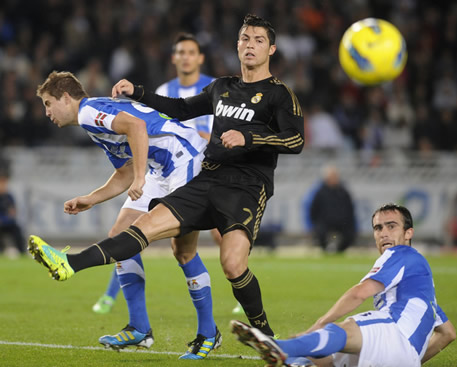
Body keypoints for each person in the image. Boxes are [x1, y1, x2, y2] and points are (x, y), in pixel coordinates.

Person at [29, 13, 304, 339]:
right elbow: (179, 112)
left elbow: (295, 141)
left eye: (258, 40)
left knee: (215, 260)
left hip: (223, 176)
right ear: (237, 44)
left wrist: (249, 139)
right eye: (245, 38)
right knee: (132, 231)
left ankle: (247, 335)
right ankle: (107, 298)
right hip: (192, 173)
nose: (250, 45)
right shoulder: (222, 87)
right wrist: (139, 93)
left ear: (271, 49)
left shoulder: (278, 94)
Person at [35, 71, 221, 359]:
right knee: (120, 237)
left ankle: (209, 333)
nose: (46, 112)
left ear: (66, 98)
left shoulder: (89, 113)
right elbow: (123, 172)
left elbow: (136, 128)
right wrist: (91, 199)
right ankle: (139, 328)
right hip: (159, 168)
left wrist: (139, 179)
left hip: (185, 156)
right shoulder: (92, 119)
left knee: (183, 251)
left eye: (48, 103)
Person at [231, 203, 456, 367]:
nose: (384, 234)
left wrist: (320, 323)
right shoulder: (422, 290)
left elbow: (360, 293)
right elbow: (448, 334)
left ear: (409, 233)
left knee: (340, 330)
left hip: (394, 335)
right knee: (324, 359)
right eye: (378, 228)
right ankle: (294, 359)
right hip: (402, 355)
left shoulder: (401, 253)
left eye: (391, 226)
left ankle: (280, 347)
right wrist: (412, 360)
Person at [91, 32, 221, 315]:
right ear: (174, 58)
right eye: (180, 52)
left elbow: (221, 131)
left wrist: (201, 135)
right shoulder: (164, 89)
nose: (185, 57)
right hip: (165, 169)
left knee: (209, 242)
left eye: (191, 52)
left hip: (204, 168)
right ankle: (114, 298)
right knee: (127, 234)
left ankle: (238, 299)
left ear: (200, 58)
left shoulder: (213, 88)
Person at [309, 165, 356, 253]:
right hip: (325, 223)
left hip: (341, 223)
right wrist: (316, 223)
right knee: (320, 232)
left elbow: (350, 210)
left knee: (349, 233)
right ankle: (326, 249)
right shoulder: (320, 193)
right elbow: (313, 210)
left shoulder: (343, 192)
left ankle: (339, 250)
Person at [0, 162, 26, 256]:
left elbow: (13, 212)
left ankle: (22, 252)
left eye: (4, 182)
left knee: (17, 230)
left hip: (7, 222)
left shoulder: (8, 196)